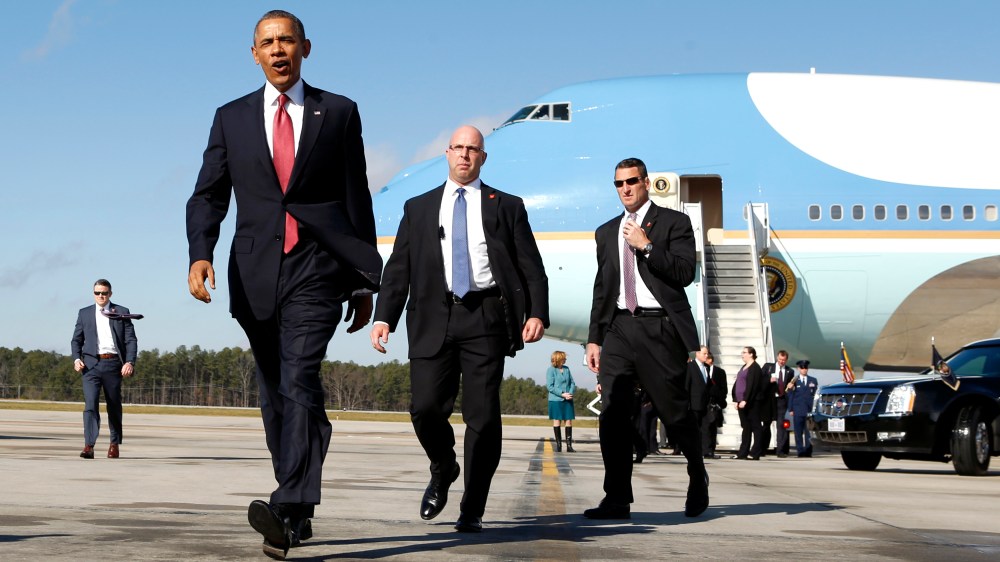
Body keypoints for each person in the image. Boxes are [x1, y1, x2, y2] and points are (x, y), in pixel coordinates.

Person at [185, 10, 381, 559]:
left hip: (316, 266)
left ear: (305, 48)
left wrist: (365, 279)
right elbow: (208, 194)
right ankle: (298, 508)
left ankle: (289, 504)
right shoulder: (231, 118)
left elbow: (355, 197)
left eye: (287, 41)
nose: (278, 50)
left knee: (299, 377)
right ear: (254, 54)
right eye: (267, 43)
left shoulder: (339, 112)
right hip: (253, 273)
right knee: (277, 395)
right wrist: (200, 253)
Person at [370, 125, 549, 533]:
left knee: (483, 417)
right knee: (425, 407)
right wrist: (384, 317)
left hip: (485, 315)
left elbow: (531, 266)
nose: (465, 155)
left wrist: (537, 312)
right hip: (433, 314)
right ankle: (444, 465)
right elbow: (399, 269)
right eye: (459, 148)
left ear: (483, 158)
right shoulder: (418, 208)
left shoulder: (507, 206)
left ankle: (473, 507)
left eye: (474, 149)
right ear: (447, 154)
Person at [583, 157, 708, 520]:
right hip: (620, 327)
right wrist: (595, 339)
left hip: (660, 327)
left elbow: (685, 273)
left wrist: (647, 246)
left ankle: (697, 472)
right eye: (619, 183)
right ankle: (617, 498)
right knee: (613, 414)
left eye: (632, 181)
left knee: (674, 412)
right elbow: (602, 288)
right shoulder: (606, 232)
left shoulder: (674, 222)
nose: (625, 188)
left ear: (647, 182)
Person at [70, 279, 138, 460]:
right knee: (90, 405)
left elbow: (131, 340)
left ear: (110, 294)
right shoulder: (84, 313)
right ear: (93, 293)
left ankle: (114, 444)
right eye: (97, 293)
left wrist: (129, 362)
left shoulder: (122, 312)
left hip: (113, 364)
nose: (101, 296)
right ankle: (89, 446)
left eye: (104, 293)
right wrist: (77, 358)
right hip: (90, 365)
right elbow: (76, 340)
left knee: (113, 405)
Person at [732, 346, 765, 460]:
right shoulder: (744, 367)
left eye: (745, 352)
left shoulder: (755, 368)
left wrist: (746, 399)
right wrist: (736, 399)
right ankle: (743, 452)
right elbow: (738, 383)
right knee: (746, 427)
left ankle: (755, 452)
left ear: (751, 354)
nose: (742, 354)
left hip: (752, 402)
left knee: (756, 426)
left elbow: (753, 386)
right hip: (741, 401)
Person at [762, 349, 794, 457]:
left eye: (784, 360)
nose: (782, 362)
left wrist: (791, 387)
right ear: (777, 358)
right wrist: (769, 380)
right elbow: (761, 380)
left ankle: (780, 451)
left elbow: (791, 386)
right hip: (769, 400)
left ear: (786, 360)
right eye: (780, 359)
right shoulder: (768, 367)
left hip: (781, 401)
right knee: (766, 424)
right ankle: (763, 448)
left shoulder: (790, 371)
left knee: (781, 426)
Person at [546, 350, 577, 452]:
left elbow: (572, 383)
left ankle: (569, 446)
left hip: (568, 398)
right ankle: (559, 446)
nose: (565, 359)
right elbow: (550, 387)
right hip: (556, 399)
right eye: (564, 358)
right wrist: (562, 394)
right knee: (557, 420)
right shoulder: (551, 370)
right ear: (558, 359)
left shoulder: (567, 369)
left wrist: (570, 393)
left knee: (568, 420)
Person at [787, 360, 819, 457]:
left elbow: (814, 395)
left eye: (805, 368)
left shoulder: (813, 380)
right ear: (798, 368)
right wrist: (791, 409)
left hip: (809, 410)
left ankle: (808, 451)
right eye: (802, 368)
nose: (804, 370)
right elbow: (791, 395)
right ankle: (800, 451)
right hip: (798, 409)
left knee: (808, 433)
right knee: (798, 432)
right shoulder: (794, 381)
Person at [702, 352, 728, 459]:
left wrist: (718, 400)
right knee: (704, 427)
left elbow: (724, 389)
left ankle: (710, 450)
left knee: (712, 427)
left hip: (714, 403)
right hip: (704, 403)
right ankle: (705, 450)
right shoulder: (702, 370)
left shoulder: (720, 372)